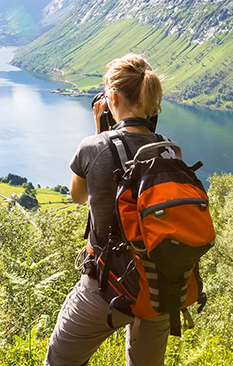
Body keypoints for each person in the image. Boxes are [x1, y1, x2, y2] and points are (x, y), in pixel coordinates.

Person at [45, 54, 169, 366]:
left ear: (111, 97)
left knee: (60, 362)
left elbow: (77, 195)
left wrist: (100, 130)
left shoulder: (93, 147)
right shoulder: (166, 148)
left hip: (105, 287)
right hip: (160, 288)